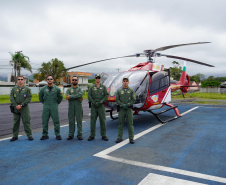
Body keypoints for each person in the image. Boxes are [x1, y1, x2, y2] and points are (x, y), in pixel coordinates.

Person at [9, 76, 33, 141]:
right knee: (15, 122)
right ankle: (15, 136)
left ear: (24, 80)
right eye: (19, 79)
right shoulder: (13, 89)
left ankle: (29, 135)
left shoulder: (27, 89)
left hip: (24, 108)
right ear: (17, 80)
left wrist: (22, 105)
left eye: (21, 79)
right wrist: (16, 105)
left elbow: (29, 98)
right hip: (16, 108)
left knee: (26, 122)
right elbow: (11, 97)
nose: (20, 80)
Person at [39, 75, 63, 140]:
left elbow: (60, 97)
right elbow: (40, 97)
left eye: (51, 79)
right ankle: (45, 135)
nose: (49, 80)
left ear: (53, 80)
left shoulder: (57, 89)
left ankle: (57, 134)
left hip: (54, 106)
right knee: (45, 121)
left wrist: (56, 103)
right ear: (46, 80)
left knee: (56, 121)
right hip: (46, 106)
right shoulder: (43, 89)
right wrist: (44, 103)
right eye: (48, 79)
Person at [88, 73, 109, 141]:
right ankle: (92, 135)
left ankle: (103, 135)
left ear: (100, 79)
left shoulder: (103, 87)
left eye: (98, 78)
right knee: (93, 121)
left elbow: (106, 95)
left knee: (103, 121)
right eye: (96, 78)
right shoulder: (91, 87)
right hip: (94, 106)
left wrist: (101, 101)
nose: (97, 79)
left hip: (101, 106)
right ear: (95, 79)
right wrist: (93, 102)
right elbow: (89, 96)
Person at [115, 77, 136, 144]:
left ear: (128, 82)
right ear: (122, 82)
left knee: (130, 124)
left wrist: (128, 104)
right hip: (121, 109)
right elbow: (117, 99)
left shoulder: (131, 90)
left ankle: (131, 138)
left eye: (126, 81)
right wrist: (121, 105)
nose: (125, 82)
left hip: (129, 109)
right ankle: (119, 137)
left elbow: (134, 99)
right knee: (120, 124)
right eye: (124, 81)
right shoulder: (119, 90)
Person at [66, 76, 84, 140]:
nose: (74, 81)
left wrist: (70, 97)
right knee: (71, 121)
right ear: (72, 81)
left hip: (78, 107)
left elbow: (80, 95)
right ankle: (71, 134)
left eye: (75, 80)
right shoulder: (68, 89)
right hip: (71, 107)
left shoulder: (80, 89)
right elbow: (67, 96)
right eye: (73, 80)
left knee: (79, 121)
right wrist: (76, 97)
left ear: (77, 81)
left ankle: (79, 135)